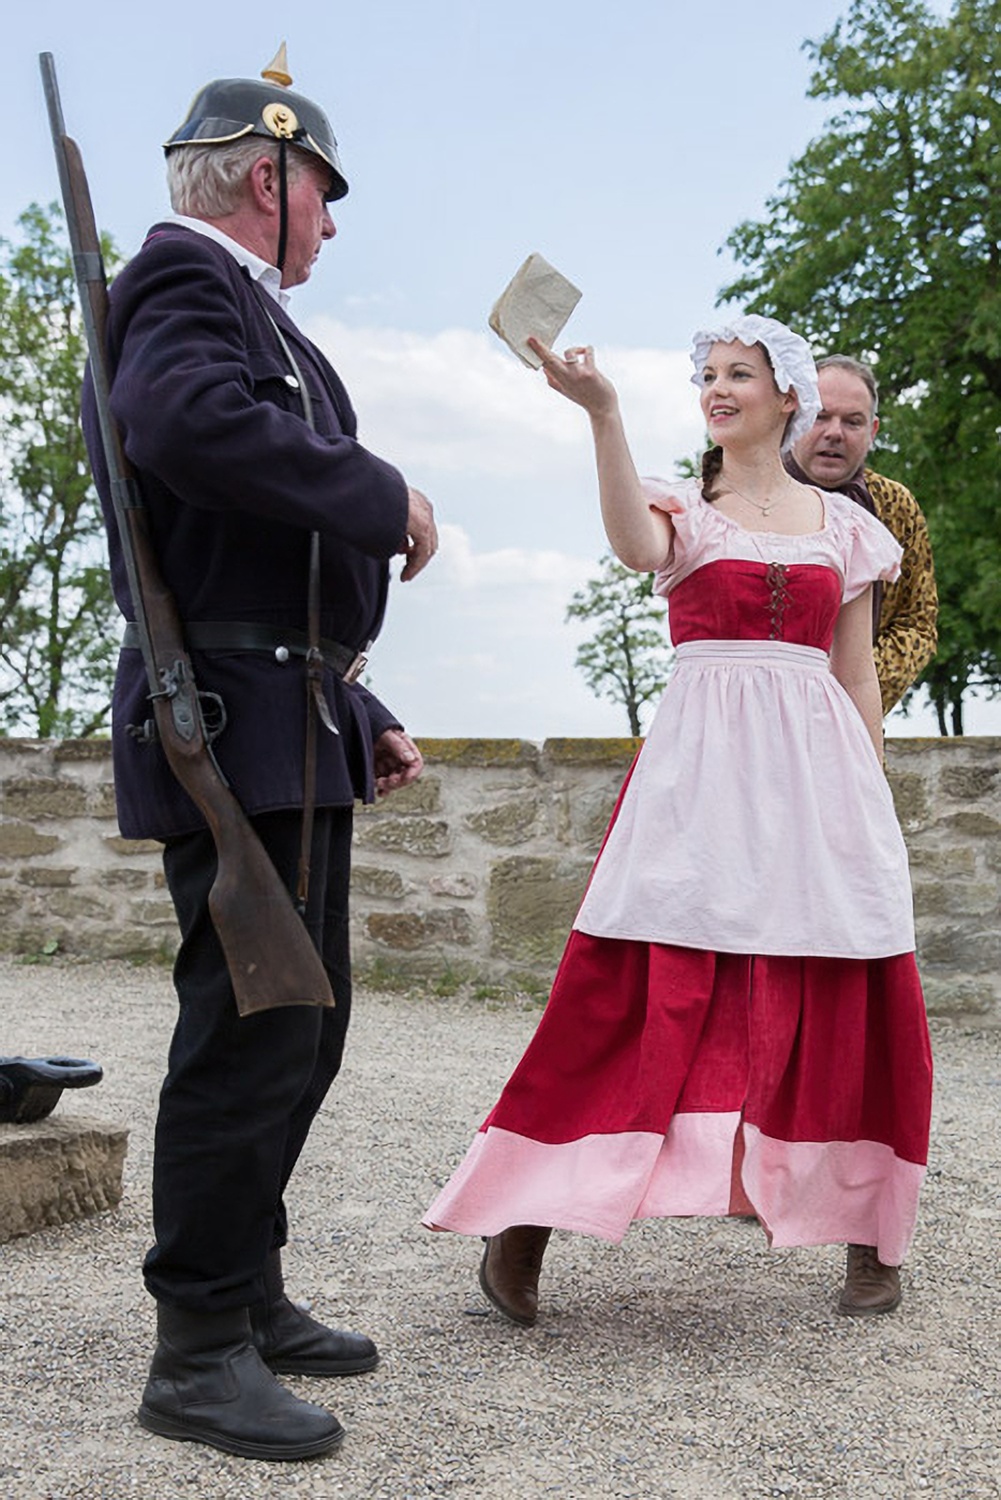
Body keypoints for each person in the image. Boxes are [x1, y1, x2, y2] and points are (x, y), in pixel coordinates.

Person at [424, 314, 932, 1331]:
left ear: (786, 397)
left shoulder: (848, 532)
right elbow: (629, 545)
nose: (717, 387)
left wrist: (867, 794)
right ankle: (522, 1218)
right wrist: (601, 414)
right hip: (697, 783)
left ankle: (869, 1233)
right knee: (625, 996)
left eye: (739, 373)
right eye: (707, 373)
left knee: (850, 988)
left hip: (818, 785)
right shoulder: (683, 512)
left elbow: (853, 675)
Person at [82, 50, 437, 1462]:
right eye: (322, 195)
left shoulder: (245, 308)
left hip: (285, 704)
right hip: (229, 709)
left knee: (303, 1025)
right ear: (261, 174)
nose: (331, 225)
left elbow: (260, 561)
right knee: (250, 1030)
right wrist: (381, 492)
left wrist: (360, 701)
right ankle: (195, 1352)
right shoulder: (185, 277)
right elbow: (184, 426)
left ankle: (247, 1288)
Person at [786, 355, 938, 714]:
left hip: (855, 722)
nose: (834, 432)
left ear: (872, 431)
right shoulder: (745, 495)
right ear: (792, 416)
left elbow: (917, 622)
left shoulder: (896, 506)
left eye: (852, 421)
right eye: (821, 416)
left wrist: (846, 698)